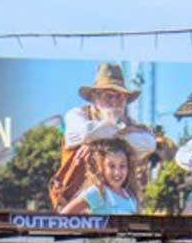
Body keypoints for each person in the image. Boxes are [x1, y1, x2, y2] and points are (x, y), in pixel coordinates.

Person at [48, 64, 155, 210]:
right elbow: (87, 132)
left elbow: (149, 144)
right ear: (94, 98)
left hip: (115, 207)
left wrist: (95, 141)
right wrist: (117, 134)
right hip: (75, 209)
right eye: (109, 96)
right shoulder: (76, 115)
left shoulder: (129, 125)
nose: (115, 102)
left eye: (120, 97)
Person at [60, 139, 139, 215]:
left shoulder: (131, 198)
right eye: (111, 166)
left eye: (122, 166)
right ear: (102, 167)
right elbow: (63, 217)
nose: (117, 172)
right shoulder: (99, 193)